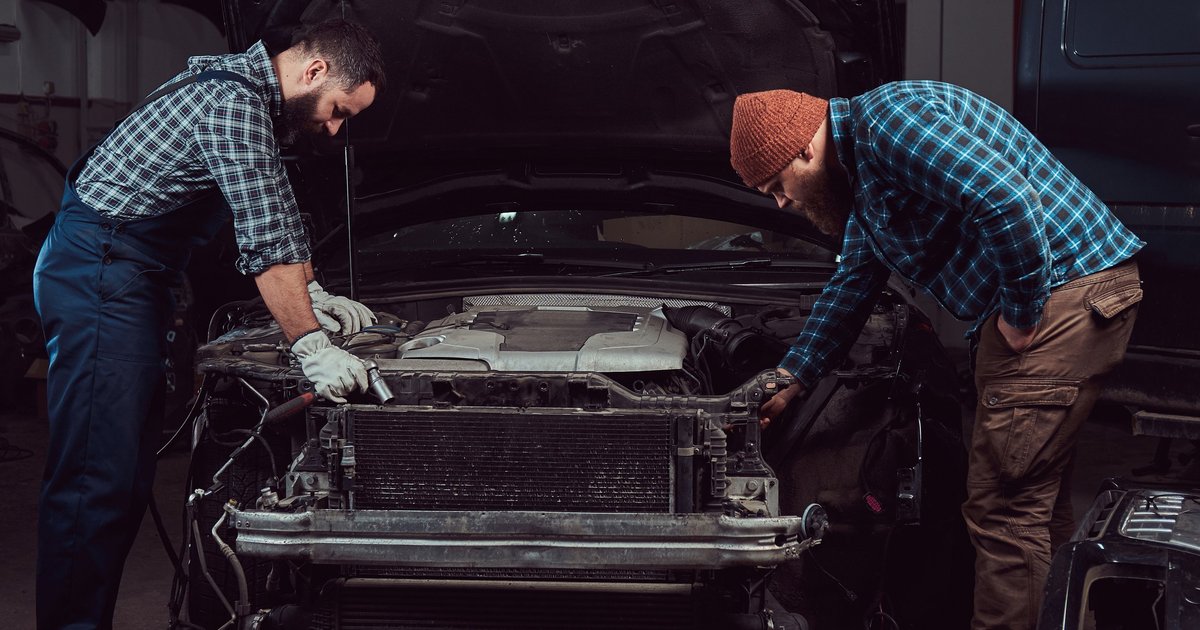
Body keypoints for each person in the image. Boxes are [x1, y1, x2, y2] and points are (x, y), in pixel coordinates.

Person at [729, 81, 1143, 629]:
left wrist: (1020, 314)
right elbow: (851, 284)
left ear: (804, 148)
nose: (782, 202)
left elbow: (1007, 199)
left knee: (1003, 512)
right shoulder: (865, 183)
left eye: (777, 185)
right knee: (1034, 509)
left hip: (1062, 297)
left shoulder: (890, 126)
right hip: (1070, 294)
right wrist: (793, 375)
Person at [32, 19, 386, 629]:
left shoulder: (254, 104)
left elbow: (276, 212)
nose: (332, 128)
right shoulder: (229, 103)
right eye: (337, 112)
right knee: (96, 481)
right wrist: (312, 346)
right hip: (99, 275)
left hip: (130, 279)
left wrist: (313, 290)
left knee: (122, 479)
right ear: (315, 71)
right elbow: (267, 243)